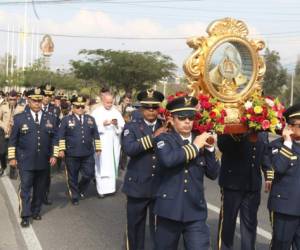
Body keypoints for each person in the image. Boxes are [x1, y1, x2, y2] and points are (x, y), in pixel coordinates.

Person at [154, 95, 220, 250]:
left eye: (191, 117)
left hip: (195, 210)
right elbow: (168, 160)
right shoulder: (164, 139)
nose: (187, 122)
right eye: (182, 118)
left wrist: (210, 149)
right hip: (169, 210)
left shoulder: (200, 140)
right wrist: (195, 147)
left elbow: (213, 173)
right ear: (172, 119)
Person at [122, 89, 166, 250]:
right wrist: (154, 137)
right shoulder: (132, 126)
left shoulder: (166, 125)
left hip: (160, 186)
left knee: (160, 229)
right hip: (137, 186)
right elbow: (130, 149)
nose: (151, 111)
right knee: (135, 228)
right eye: (148, 107)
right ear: (141, 108)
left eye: (155, 107)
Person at [7, 88, 58, 227]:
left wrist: (54, 154)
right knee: (25, 188)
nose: (37, 103)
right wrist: (12, 158)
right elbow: (13, 140)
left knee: (40, 189)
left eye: (39, 100)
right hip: (25, 160)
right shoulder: (19, 118)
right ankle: (25, 214)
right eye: (34, 100)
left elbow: (55, 139)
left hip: (43, 160)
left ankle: (36, 211)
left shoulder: (50, 118)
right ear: (28, 100)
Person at [217, 132, 273, 250]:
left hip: (252, 185)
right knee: (228, 223)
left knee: (250, 225)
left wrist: (268, 174)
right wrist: (239, 134)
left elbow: (265, 153)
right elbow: (222, 145)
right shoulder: (231, 126)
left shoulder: (262, 130)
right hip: (232, 184)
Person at [58, 95, 101, 205]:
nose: (80, 109)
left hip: (87, 152)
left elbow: (96, 134)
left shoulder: (90, 119)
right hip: (72, 153)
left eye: (82, 107)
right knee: (72, 175)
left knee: (89, 174)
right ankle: (75, 196)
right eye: (77, 107)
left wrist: (98, 148)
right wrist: (61, 149)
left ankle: (80, 188)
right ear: (72, 107)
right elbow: (61, 136)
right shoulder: (66, 120)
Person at [268, 103, 300, 249]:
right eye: (298, 125)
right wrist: (287, 142)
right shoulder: (278, 145)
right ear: (289, 126)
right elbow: (279, 168)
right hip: (285, 208)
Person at [91, 93, 125, 198]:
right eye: (107, 102)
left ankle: (111, 189)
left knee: (111, 165)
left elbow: (122, 125)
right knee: (101, 165)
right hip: (101, 142)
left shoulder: (116, 112)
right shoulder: (96, 112)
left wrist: (116, 124)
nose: (110, 104)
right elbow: (91, 127)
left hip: (113, 143)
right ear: (102, 101)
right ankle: (101, 190)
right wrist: (102, 125)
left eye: (111, 102)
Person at [40, 84, 61, 205]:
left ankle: (44, 195)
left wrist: (56, 150)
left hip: (48, 147)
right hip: (35, 146)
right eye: (45, 95)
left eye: (49, 95)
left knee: (47, 174)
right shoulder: (31, 107)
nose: (47, 97)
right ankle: (35, 193)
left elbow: (57, 131)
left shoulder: (55, 110)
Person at [0, 90, 24, 178]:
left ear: (17, 98)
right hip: (4, 133)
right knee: (2, 152)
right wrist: (4, 126)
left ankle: (13, 171)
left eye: (14, 99)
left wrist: (17, 123)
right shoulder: (3, 107)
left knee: (13, 153)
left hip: (16, 134)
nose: (12, 101)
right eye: (10, 99)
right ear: (8, 98)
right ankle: (3, 166)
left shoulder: (21, 108)